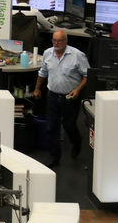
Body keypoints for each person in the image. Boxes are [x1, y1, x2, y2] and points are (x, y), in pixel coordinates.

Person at [33, 30, 89, 168]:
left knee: (69, 125)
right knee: (52, 127)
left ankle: (77, 142)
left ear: (66, 41)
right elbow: (43, 72)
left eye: (59, 41)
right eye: (54, 41)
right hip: (52, 95)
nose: (56, 44)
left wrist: (77, 90)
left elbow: (87, 75)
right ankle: (55, 157)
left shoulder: (77, 55)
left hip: (70, 97)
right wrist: (37, 88)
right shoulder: (47, 53)